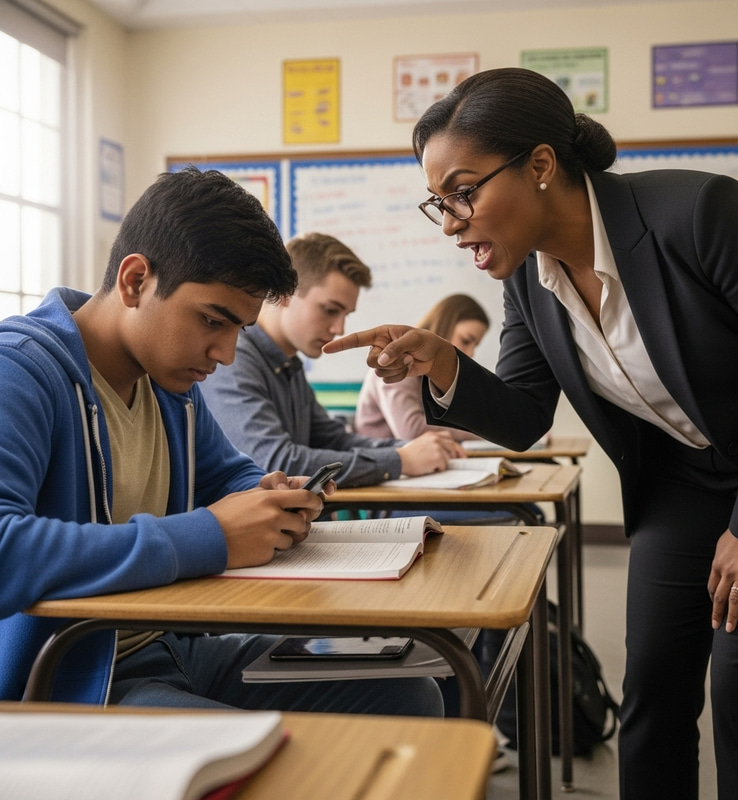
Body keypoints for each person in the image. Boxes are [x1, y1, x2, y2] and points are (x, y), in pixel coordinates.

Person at [322, 67, 738, 799]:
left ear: (541, 165)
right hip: (682, 485)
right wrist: (443, 362)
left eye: (464, 191)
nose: (451, 222)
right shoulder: (527, 281)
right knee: (653, 696)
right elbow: (522, 416)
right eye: (438, 203)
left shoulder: (701, 214)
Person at [0, 167, 443, 718]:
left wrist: (270, 495)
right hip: (78, 677)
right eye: (213, 320)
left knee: (407, 690)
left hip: (174, 646)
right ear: (136, 280)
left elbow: (229, 477)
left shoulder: (168, 385)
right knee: (267, 750)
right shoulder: (20, 371)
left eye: (240, 329)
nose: (227, 353)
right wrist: (210, 535)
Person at [200, 231, 462, 488]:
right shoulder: (236, 359)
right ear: (284, 293)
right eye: (329, 310)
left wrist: (410, 448)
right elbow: (275, 462)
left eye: (346, 314)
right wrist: (398, 460)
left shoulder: (289, 363)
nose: (339, 328)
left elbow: (333, 439)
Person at [355, 293, 489, 442]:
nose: (470, 354)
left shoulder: (441, 376)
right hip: (380, 460)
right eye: (465, 341)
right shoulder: (399, 362)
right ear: (444, 326)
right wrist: (486, 433)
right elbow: (411, 432)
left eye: (475, 345)